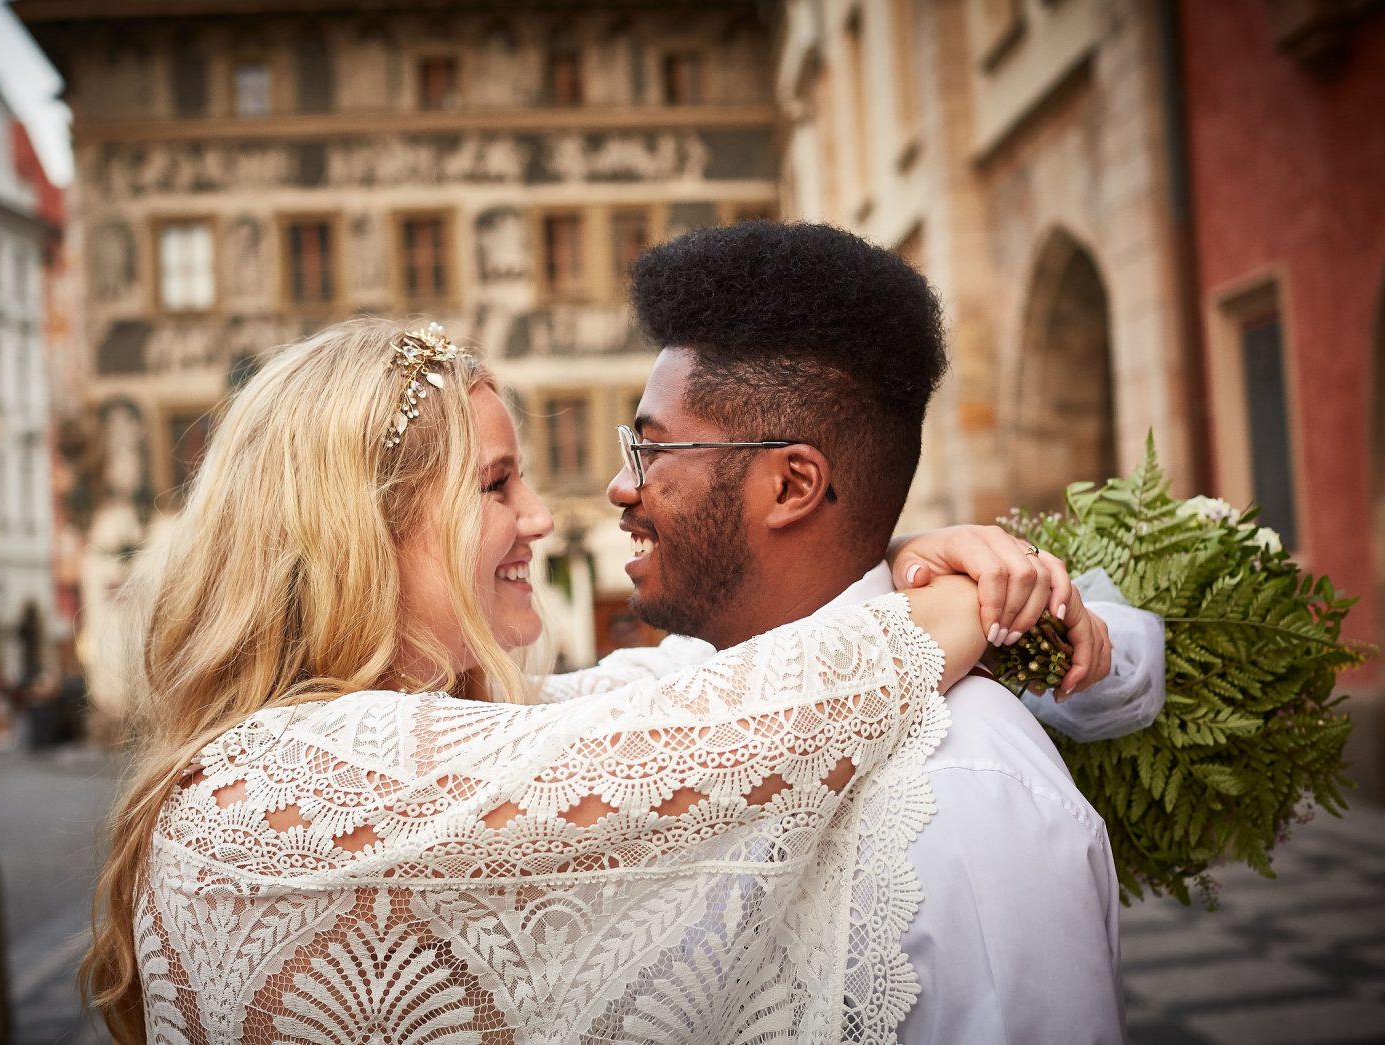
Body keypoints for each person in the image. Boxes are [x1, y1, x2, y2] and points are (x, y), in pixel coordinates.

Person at [80, 318, 1022, 1044]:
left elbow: (666, 685)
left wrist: (877, 555)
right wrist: (959, 605)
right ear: (359, 531)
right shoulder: (277, 777)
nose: (539, 516)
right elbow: (713, 730)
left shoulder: (409, 739)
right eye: (496, 486)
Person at [581, 221, 1130, 1042]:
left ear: (793, 483)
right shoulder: (679, 679)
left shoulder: (969, 797)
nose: (621, 486)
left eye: (651, 449)